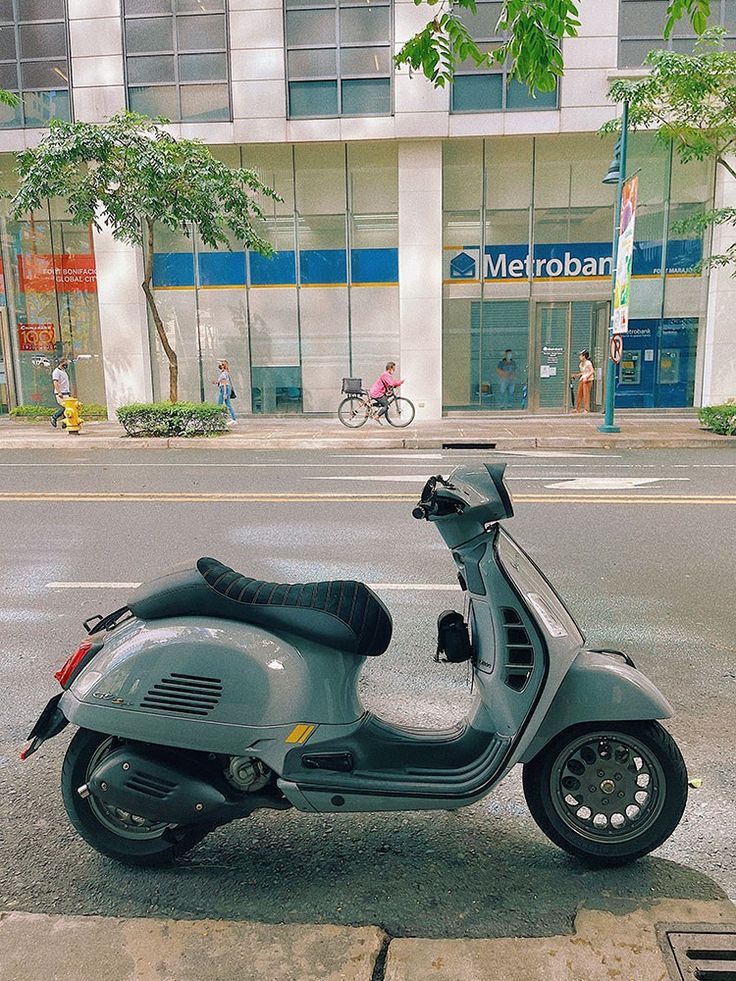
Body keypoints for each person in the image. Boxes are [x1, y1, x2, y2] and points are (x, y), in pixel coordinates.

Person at [50, 356, 71, 428]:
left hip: (66, 392)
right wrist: (59, 392)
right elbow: (55, 382)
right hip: (61, 393)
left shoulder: (63, 371)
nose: (67, 364)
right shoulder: (56, 372)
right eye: (66, 363)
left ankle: (65, 423)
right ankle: (54, 417)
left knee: (68, 407)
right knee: (66, 407)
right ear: (61, 363)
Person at [215, 359, 237, 424]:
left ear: (222, 366)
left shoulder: (224, 373)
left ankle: (232, 419)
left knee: (225, 404)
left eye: (220, 365)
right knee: (223, 404)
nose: (219, 365)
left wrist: (225, 393)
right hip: (225, 388)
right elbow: (221, 381)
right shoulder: (225, 372)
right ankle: (231, 419)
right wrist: (216, 382)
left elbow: (224, 383)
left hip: (225, 389)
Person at [573, 350, 595, 414]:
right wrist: (576, 375)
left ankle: (586, 409)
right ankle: (578, 408)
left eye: (580, 355)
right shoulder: (581, 364)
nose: (579, 357)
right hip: (582, 379)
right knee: (579, 394)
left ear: (584, 356)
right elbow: (583, 372)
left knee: (586, 394)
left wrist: (587, 377)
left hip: (588, 380)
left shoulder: (588, 363)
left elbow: (592, 371)